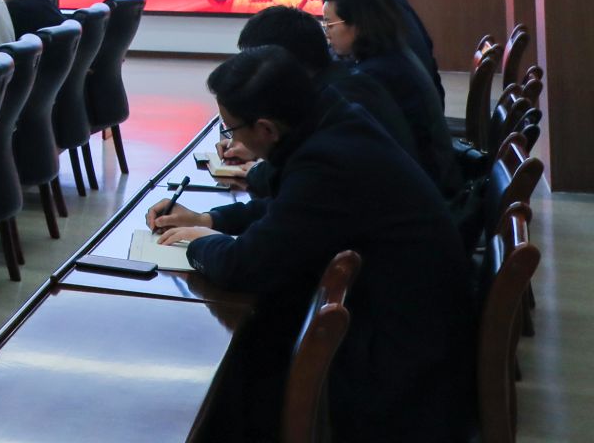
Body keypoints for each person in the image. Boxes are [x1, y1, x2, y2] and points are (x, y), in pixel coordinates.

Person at [148, 48, 473, 442]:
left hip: (402, 358)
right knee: (259, 337)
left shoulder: (328, 160)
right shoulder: (334, 119)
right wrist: (209, 220)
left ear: (266, 129)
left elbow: (245, 265)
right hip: (409, 319)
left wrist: (198, 245)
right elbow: (292, 208)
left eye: (230, 129)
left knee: (246, 363)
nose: (230, 138)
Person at [234, 5, 420, 185]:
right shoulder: (342, 81)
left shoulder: (338, 99)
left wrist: (258, 169)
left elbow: (307, 171)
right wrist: (257, 147)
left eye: (258, 69)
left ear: (285, 63)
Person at [320, 0, 460, 195]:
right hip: (434, 171)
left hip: (428, 184)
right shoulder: (392, 54)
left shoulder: (378, 74)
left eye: (330, 24)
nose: (327, 34)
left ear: (357, 25)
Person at [314, 0, 442, 104]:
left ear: (355, 21)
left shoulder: (374, 73)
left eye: (330, 24)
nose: (327, 33)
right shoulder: (386, 37)